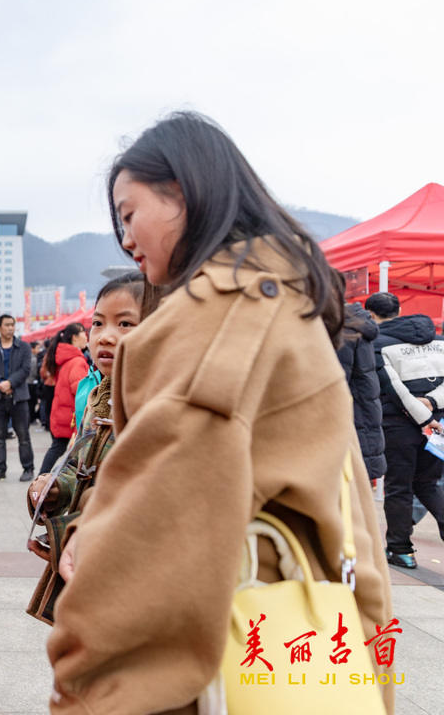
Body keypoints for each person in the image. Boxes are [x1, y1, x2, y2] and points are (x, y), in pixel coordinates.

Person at [48, 112, 393, 714]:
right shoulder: (280, 294)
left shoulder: (215, 315)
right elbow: (354, 508)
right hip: (303, 628)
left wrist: (82, 678)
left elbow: (163, 515)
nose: (125, 240)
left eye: (129, 216)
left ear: (181, 193)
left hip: (211, 637)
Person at [25, 273, 145, 623]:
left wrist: (74, 532)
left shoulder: (159, 407)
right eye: (97, 323)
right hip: (89, 568)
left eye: (125, 323)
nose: (105, 336)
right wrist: (51, 489)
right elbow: (80, 469)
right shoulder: (102, 398)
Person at [364, 291, 444, 569]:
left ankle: (401, 550)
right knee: (428, 483)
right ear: (399, 309)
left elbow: (395, 390)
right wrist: (433, 405)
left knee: (399, 488)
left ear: (371, 315)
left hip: (400, 425)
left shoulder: (378, 344)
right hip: (438, 425)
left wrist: (422, 417)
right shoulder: (439, 340)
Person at [336, 301, 386, 485]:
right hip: (362, 419)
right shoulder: (352, 326)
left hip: (350, 426)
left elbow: (337, 386)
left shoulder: (341, 330)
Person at [0, 314, 35, 481]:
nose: (10, 328)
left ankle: (28, 468)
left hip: (18, 397)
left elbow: (25, 369)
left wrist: (10, 383)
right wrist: (0, 383)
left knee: (23, 436)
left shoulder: (24, 347)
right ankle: (0, 469)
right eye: (6, 325)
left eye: (12, 325)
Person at [37, 322, 90, 475]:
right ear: (74, 337)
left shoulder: (68, 360)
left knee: (58, 448)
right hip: (70, 417)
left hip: (62, 413)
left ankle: (44, 477)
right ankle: (42, 479)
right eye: (83, 333)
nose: (86, 336)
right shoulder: (77, 362)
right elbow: (81, 395)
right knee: (59, 448)